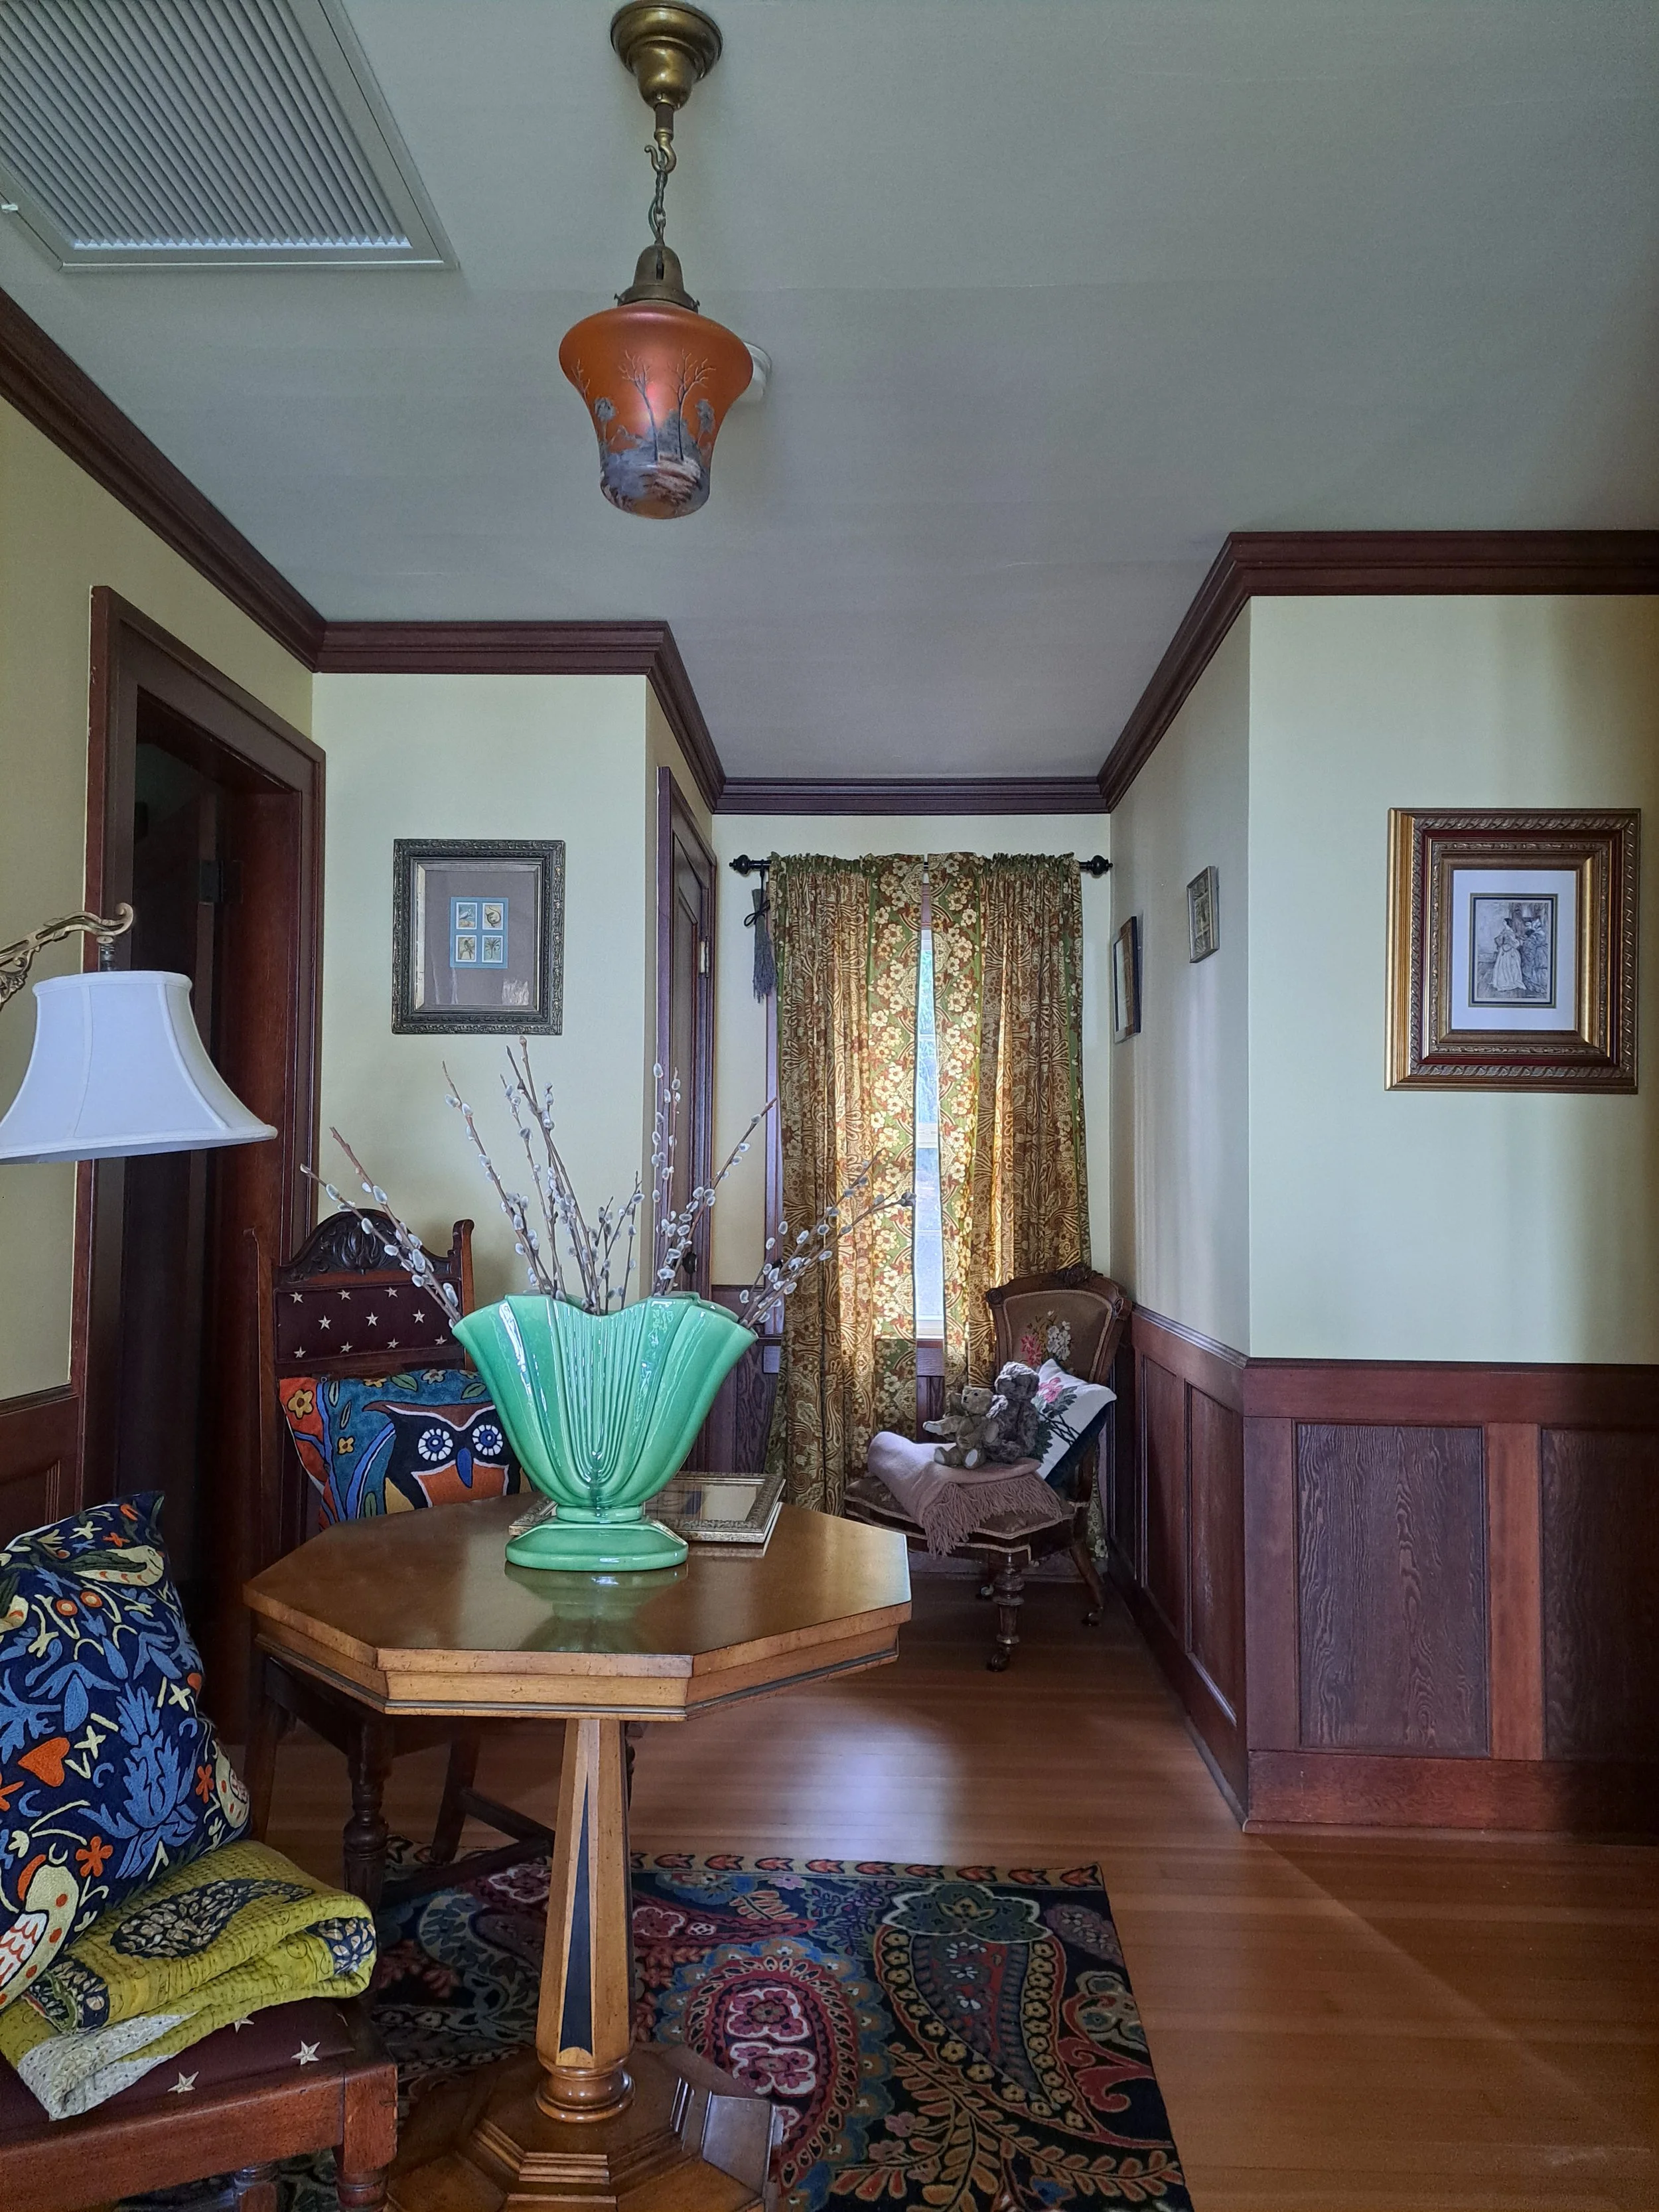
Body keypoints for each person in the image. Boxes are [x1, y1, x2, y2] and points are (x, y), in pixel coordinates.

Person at [1488, 913, 1524, 996]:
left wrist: (1514, 944)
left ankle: (1508, 982)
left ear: (1507, 923)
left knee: (1508, 967)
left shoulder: (1509, 932)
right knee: (1502, 966)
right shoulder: (1505, 931)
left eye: (1504, 922)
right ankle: (1502, 981)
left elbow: (1514, 943)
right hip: (1503, 950)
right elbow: (1500, 939)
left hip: (1509, 951)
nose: (1503, 923)